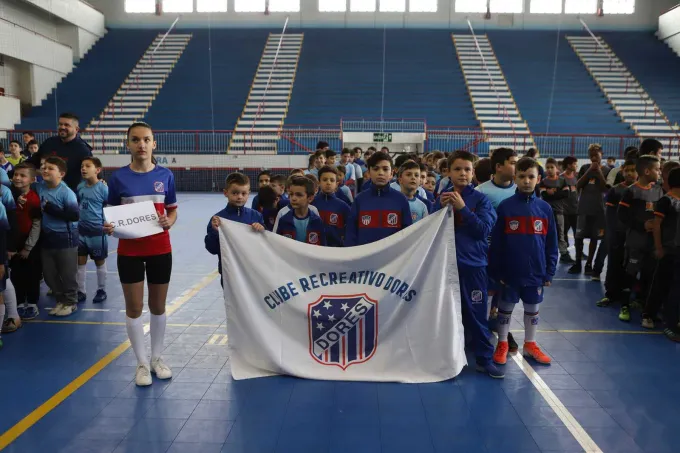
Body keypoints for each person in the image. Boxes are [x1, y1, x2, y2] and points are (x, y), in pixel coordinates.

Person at [103, 122, 177, 387]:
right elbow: (111, 215)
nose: (141, 144)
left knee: (158, 306)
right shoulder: (118, 178)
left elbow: (171, 210)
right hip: (130, 252)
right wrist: (109, 226)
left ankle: (157, 358)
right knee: (134, 309)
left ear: (154, 143)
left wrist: (170, 220)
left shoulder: (166, 176)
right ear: (128, 144)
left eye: (146, 139)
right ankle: (142, 363)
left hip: (160, 249)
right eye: (135, 140)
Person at [435, 151, 501, 378]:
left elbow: (483, 231)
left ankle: (484, 358)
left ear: (473, 173)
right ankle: (444, 357)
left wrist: (462, 208)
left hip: (473, 267)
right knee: (443, 315)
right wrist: (439, 210)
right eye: (457, 169)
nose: (462, 173)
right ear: (449, 172)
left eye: (467, 169)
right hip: (445, 267)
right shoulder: (441, 198)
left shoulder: (481, 200)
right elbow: (431, 232)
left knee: (476, 315)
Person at [489, 157, 558, 366]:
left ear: (538, 179)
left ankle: (530, 343)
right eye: (522, 176)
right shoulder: (506, 207)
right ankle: (502, 342)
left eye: (531, 176)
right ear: (515, 178)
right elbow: (497, 243)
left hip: (536, 272)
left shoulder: (545, 209)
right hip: (510, 272)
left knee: (532, 307)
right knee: (505, 308)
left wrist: (549, 271)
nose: (527, 181)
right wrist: (497, 270)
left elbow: (551, 242)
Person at [617, 155, 663, 324]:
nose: (659, 172)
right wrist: (641, 225)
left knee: (650, 274)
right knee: (630, 272)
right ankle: (624, 305)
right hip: (636, 241)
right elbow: (622, 215)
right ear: (646, 171)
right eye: (657, 169)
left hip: (653, 242)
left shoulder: (659, 190)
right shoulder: (631, 191)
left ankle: (645, 306)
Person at [36, 157, 80, 317]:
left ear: (61, 173)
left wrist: (50, 208)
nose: (45, 170)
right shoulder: (40, 187)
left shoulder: (66, 192)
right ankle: (60, 300)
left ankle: (71, 302)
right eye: (44, 168)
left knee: (67, 274)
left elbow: (74, 215)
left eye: (50, 168)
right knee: (49, 274)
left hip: (65, 239)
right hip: (47, 238)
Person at [205, 173, 265, 281]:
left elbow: (265, 245)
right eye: (235, 193)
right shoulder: (218, 219)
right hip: (229, 273)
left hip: (253, 271)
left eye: (243, 193)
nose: (239, 197)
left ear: (249, 193)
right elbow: (212, 249)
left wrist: (262, 230)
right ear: (225, 193)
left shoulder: (256, 216)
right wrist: (214, 232)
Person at [344, 152, 413, 246]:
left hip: (393, 257)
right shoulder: (359, 200)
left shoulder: (401, 200)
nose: (380, 173)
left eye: (385, 169)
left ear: (392, 173)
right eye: (376, 169)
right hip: (363, 257)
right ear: (369, 172)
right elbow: (351, 232)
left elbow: (407, 233)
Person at [596, 160, 637, 309]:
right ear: (622, 171)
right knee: (614, 263)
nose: (630, 174)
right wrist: (611, 231)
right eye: (627, 170)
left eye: (633, 170)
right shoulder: (615, 190)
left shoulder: (639, 191)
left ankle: (628, 296)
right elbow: (610, 214)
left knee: (630, 266)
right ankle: (611, 293)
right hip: (617, 234)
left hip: (633, 235)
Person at [569, 144, 610, 275]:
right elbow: (578, 184)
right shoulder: (584, 168)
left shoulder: (607, 170)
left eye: (596, 155)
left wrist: (598, 172)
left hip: (598, 209)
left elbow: (606, 189)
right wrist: (589, 171)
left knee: (594, 237)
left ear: (601, 154)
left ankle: (588, 264)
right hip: (584, 207)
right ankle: (577, 262)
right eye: (591, 155)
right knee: (579, 236)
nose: (593, 158)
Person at [8, 163, 41, 322]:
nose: (18, 178)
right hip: (14, 244)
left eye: (23, 175)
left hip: (30, 245)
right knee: (16, 275)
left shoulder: (34, 199)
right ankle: (20, 302)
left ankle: (33, 303)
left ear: (32, 179)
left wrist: (28, 247)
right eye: (15, 174)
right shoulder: (9, 196)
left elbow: (36, 224)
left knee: (32, 275)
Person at [30, 113, 92, 192]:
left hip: (72, 193)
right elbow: (33, 162)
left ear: (76, 129)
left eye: (67, 125)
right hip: (46, 191)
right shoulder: (49, 143)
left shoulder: (83, 150)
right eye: (60, 124)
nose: (62, 127)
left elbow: (92, 173)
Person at [76, 157, 109, 304]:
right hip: (81, 231)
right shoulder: (80, 187)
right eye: (82, 166)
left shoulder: (103, 188)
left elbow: (111, 206)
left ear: (97, 170)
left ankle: (101, 289)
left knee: (99, 261)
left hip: (97, 231)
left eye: (88, 166)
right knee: (80, 261)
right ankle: (80, 291)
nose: (83, 168)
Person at [657, 168, 680, 341]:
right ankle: (669, 324)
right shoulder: (667, 201)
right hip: (671, 249)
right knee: (674, 288)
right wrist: (659, 248)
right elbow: (657, 225)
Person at [275, 176, 326, 245]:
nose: (293, 198)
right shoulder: (284, 220)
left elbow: (323, 247)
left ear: (310, 198)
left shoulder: (317, 221)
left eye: (299, 195)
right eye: (291, 194)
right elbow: (277, 245)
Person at [540, 158, 571, 263]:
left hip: (559, 212)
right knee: (545, 234)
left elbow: (566, 194)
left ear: (557, 168)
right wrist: (557, 193)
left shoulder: (562, 180)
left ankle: (564, 253)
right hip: (546, 213)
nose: (549, 169)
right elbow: (544, 196)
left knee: (560, 233)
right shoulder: (543, 181)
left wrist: (553, 193)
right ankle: (545, 254)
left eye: (552, 167)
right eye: (547, 167)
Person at [312, 166, 350, 247]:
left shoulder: (343, 206)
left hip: (336, 249)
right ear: (319, 182)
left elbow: (350, 229)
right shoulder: (311, 203)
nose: (328, 183)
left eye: (332, 180)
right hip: (313, 248)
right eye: (325, 180)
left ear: (336, 184)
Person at [561, 156, 579, 261]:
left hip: (575, 210)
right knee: (564, 234)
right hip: (564, 211)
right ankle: (564, 254)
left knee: (578, 233)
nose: (576, 166)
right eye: (574, 164)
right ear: (569, 165)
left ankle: (579, 252)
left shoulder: (576, 176)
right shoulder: (561, 178)